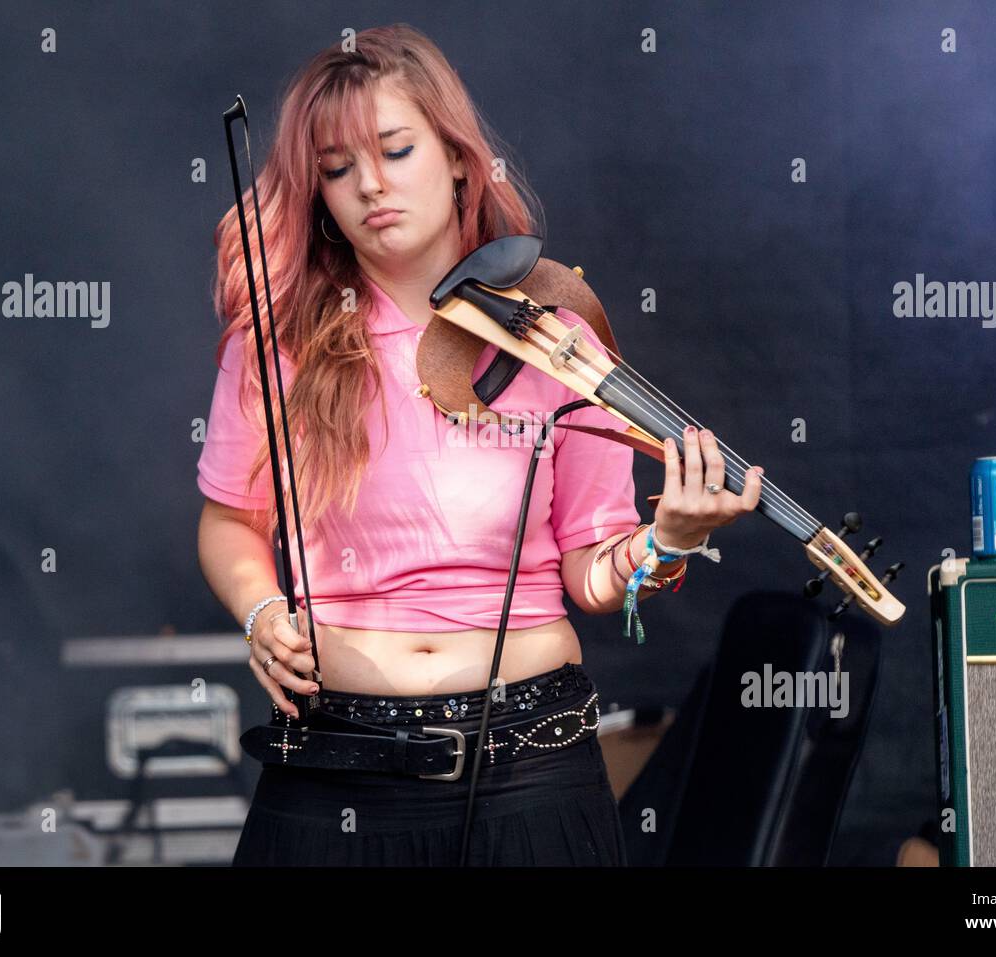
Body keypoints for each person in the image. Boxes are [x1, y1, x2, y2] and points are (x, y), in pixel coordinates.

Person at [195, 23, 764, 866]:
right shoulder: (279, 339)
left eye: (395, 150)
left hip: (529, 768)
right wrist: (261, 608)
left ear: (459, 158)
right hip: (335, 768)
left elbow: (591, 569)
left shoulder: (559, 339)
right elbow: (230, 520)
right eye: (338, 169)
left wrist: (666, 541)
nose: (370, 187)